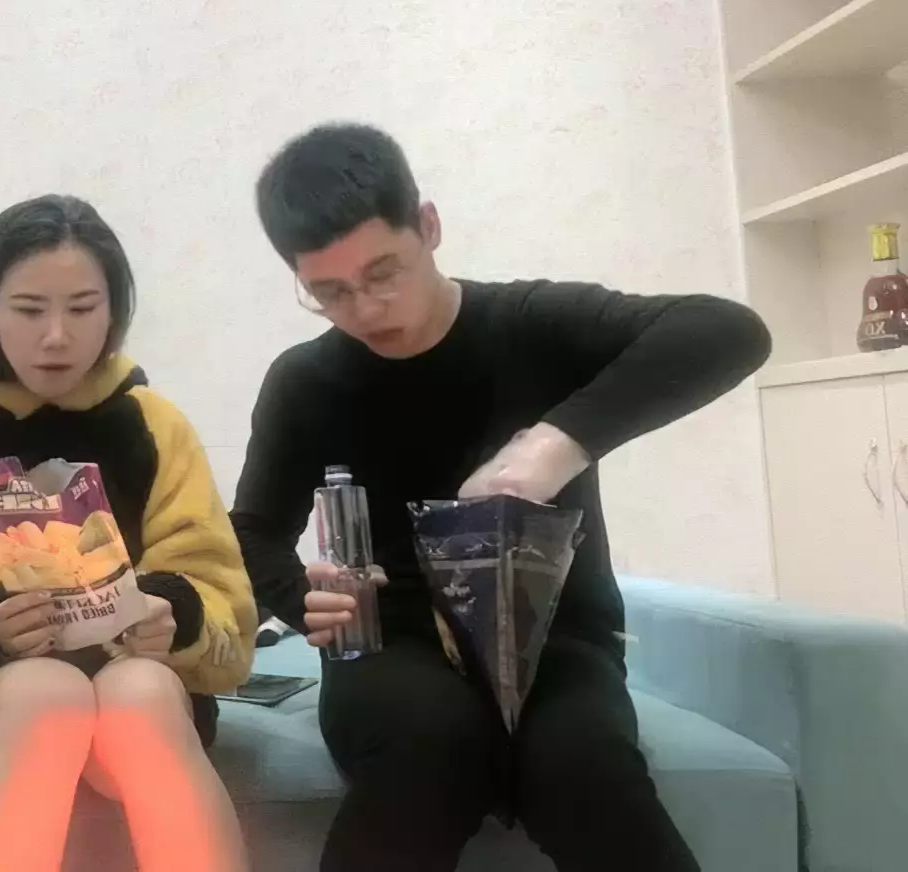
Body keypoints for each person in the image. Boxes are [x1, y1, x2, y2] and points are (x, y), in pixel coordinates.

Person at [230, 123, 772, 872]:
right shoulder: (304, 381)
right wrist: (301, 599)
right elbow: (252, 531)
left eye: (384, 272)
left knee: (584, 770)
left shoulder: (532, 325)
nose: (366, 308)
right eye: (329, 292)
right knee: (431, 748)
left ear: (428, 225)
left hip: (556, 636)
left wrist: (553, 445)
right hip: (391, 643)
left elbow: (729, 331)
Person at [0, 195, 258, 872]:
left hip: (129, 679)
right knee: (48, 696)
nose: (57, 336)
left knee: (142, 694)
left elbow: (217, 590)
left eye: (83, 308)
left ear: (114, 311)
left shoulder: (154, 423)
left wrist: (174, 614)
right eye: (30, 310)